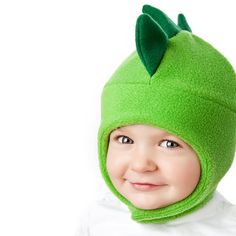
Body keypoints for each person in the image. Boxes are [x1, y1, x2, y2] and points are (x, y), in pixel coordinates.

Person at [76, 4, 236, 235]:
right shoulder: (99, 219)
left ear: (216, 154)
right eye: (124, 139)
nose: (141, 164)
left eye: (169, 144)